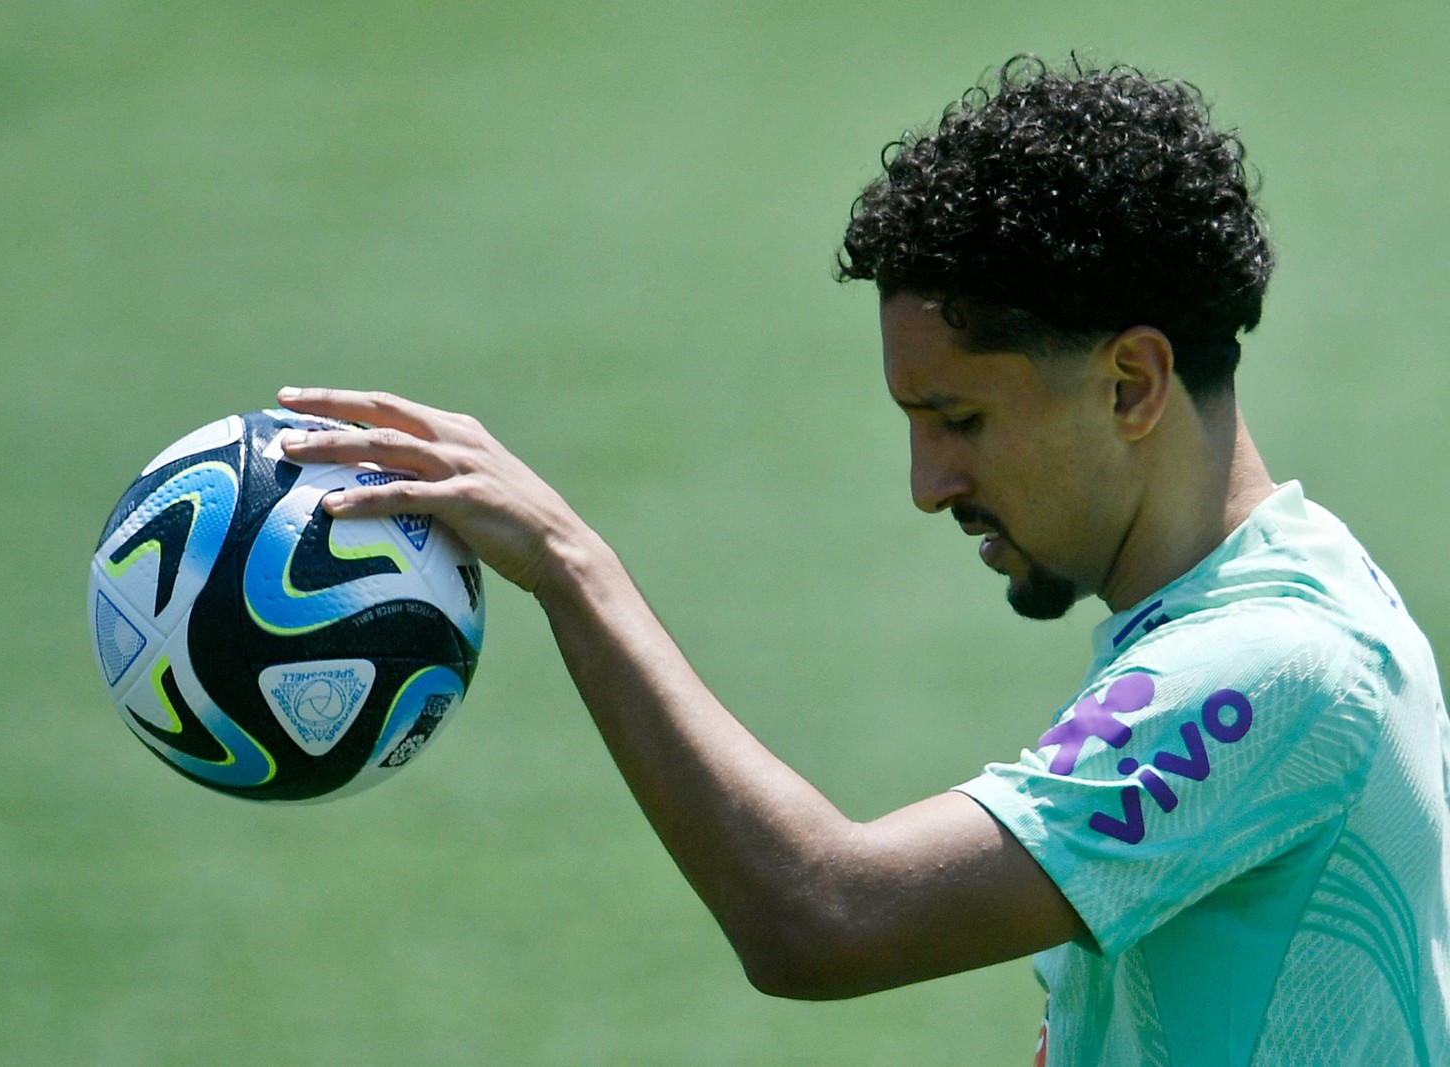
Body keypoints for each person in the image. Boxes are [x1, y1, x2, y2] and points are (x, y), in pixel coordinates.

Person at [276, 56, 1450, 1065]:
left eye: (961, 420)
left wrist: (572, 568)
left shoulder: (1275, 666)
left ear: (1131, 383)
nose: (927, 483)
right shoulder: (1273, 590)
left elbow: (820, 914)